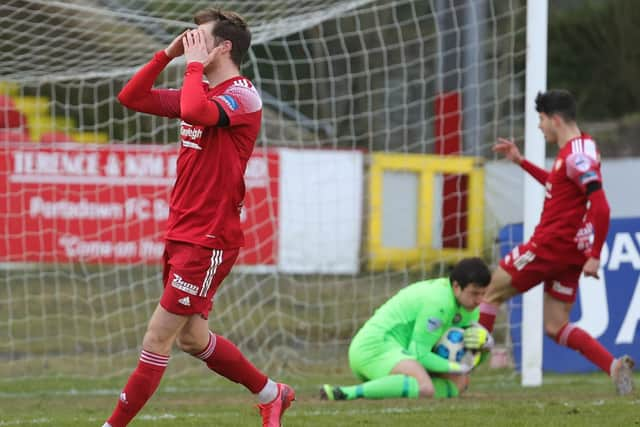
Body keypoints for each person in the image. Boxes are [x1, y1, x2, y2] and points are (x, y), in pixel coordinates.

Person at [102, 8, 294, 427]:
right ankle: (271, 392)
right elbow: (131, 98)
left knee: (158, 335)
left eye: (199, 38)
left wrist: (190, 67)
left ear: (223, 47)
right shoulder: (199, 87)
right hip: (182, 231)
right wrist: (167, 54)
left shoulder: (242, 95)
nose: (191, 42)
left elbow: (194, 112)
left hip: (210, 238)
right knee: (191, 338)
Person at [478, 89, 634, 395]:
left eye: (541, 120)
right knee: (555, 326)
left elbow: (601, 206)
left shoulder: (576, 156)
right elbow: (558, 184)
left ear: (555, 119)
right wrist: (521, 161)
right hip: (568, 253)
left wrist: (596, 254)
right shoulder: (583, 147)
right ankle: (613, 367)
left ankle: (462, 373)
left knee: (490, 293)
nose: (539, 127)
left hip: (549, 246)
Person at [321, 257, 493, 401]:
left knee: (460, 382)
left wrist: (485, 346)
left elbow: (471, 357)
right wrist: (457, 367)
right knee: (425, 388)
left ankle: (394, 387)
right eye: (474, 293)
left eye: (483, 294)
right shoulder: (439, 302)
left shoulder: (470, 307)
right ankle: (347, 393)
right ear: (456, 287)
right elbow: (419, 354)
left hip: (401, 354)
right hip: (374, 348)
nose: (479, 300)